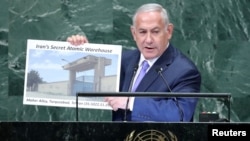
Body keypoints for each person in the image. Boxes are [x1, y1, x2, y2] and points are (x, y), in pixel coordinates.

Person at [67, 3, 201, 122]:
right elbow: (99, 84)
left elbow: (179, 115)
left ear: (169, 31)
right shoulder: (125, 60)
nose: (148, 40)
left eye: (155, 32)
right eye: (142, 32)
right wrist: (84, 50)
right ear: (133, 33)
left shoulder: (185, 71)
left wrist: (130, 103)